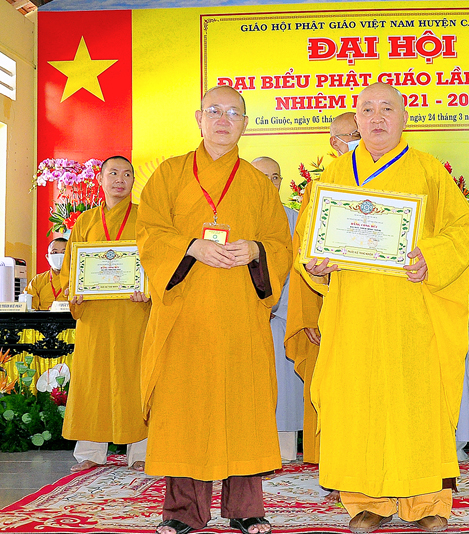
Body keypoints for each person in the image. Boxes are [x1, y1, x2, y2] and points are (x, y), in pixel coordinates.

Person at [296, 82, 469, 533]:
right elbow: (308, 242)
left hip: (411, 313)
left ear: (404, 117)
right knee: (358, 403)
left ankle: (427, 501)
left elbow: (463, 229)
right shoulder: (334, 175)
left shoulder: (428, 170)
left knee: (417, 403)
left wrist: (429, 257)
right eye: (367, 109)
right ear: (356, 119)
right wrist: (315, 265)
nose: (377, 118)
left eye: (387, 109)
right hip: (353, 314)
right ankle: (367, 499)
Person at [137, 85, 292, 534]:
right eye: (214, 111)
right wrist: (191, 246)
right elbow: (149, 232)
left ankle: (245, 508)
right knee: (184, 410)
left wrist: (256, 250)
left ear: (245, 123)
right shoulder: (169, 173)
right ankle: (183, 511)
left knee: (243, 407)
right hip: (184, 314)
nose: (224, 119)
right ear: (199, 118)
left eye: (233, 113)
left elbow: (282, 243)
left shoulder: (258, 184)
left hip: (240, 314)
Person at [59, 156, 149, 472]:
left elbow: (156, 260)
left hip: (133, 311)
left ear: (134, 180)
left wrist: (148, 288)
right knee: (91, 380)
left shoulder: (145, 218)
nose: (120, 179)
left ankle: (141, 452)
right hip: (94, 314)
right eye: (113, 173)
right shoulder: (85, 221)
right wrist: (74, 290)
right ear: (101, 179)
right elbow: (71, 266)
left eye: (127, 174)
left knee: (135, 378)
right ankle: (90, 452)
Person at [285, 113, 362, 471]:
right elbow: (302, 254)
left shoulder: (390, 182)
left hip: (377, 304)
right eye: (353, 134)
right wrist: (307, 316)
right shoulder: (319, 188)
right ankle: (333, 466)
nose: (360, 139)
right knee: (332, 387)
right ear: (335, 142)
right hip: (330, 305)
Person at [252, 156, 305, 463]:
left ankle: (285, 449)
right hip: (246, 314)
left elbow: (300, 269)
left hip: (284, 315)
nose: (269, 183)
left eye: (275, 177)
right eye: (262, 177)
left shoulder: (296, 219)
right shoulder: (236, 216)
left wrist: (277, 306)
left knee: (284, 384)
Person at [25, 237, 68, 310]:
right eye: (55, 252)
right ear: (47, 257)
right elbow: (29, 308)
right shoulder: (38, 280)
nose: (59, 256)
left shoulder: (78, 280)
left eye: (64, 252)